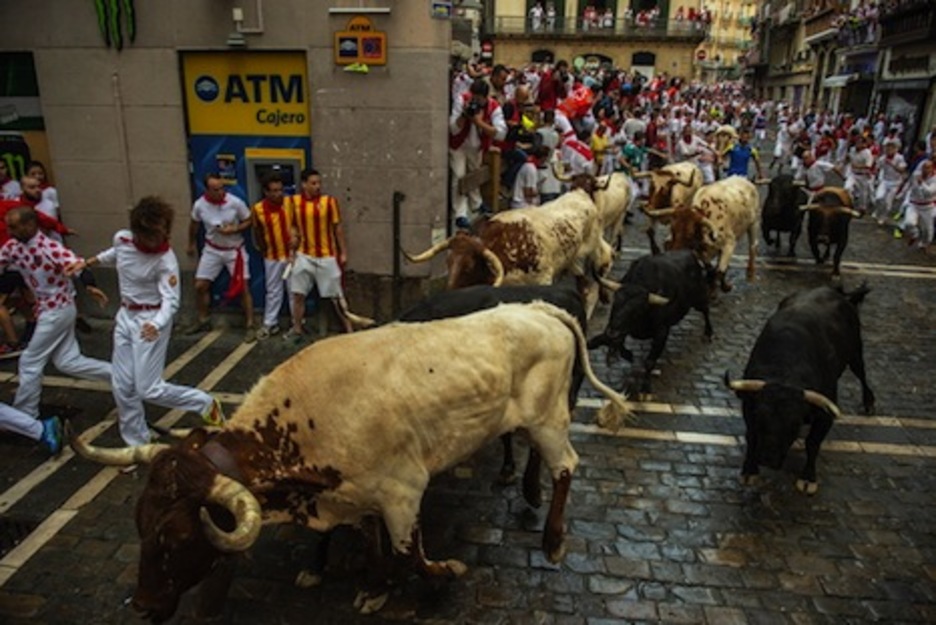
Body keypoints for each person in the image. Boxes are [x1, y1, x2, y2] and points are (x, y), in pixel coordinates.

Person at [69, 197, 225, 446]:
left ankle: (204, 403)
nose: (160, 239)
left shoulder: (166, 260)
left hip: (151, 319)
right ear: (138, 232)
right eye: (153, 235)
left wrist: (157, 324)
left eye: (163, 233)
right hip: (125, 315)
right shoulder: (122, 239)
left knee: (148, 389)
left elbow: (171, 301)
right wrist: (88, 262)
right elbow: (115, 254)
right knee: (122, 385)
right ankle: (137, 443)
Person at [0, 206, 112, 419]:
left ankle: (25, 415)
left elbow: (78, 266)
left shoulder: (50, 248)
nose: (9, 231)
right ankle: (121, 376)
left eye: (14, 227)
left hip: (57, 311)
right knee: (68, 361)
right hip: (48, 310)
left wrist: (90, 285)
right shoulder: (12, 247)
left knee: (30, 361)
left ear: (30, 225)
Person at [286, 168, 355, 340]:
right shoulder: (293, 202)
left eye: (319, 183)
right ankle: (297, 329)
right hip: (304, 254)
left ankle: (350, 330)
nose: (318, 186)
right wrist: (292, 249)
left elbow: (337, 228)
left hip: (326, 255)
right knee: (298, 294)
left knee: (336, 296)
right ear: (304, 184)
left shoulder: (329, 202)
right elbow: (292, 226)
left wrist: (343, 252)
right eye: (313, 183)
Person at [186, 173, 256, 341]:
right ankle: (203, 319)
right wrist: (190, 244)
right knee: (200, 285)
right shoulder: (199, 205)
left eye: (221, 188)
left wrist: (235, 229)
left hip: (234, 250)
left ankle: (251, 324)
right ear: (207, 190)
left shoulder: (235, 202)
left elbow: (249, 220)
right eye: (215, 189)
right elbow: (194, 225)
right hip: (212, 249)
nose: (220, 192)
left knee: (243, 287)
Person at [449, 78, 506, 230]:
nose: (476, 101)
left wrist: (479, 122)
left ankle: (476, 204)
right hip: (459, 145)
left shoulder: (494, 107)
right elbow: (453, 128)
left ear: (486, 97)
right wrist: (464, 115)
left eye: (479, 99)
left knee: (474, 176)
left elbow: (500, 134)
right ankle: (460, 214)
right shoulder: (462, 100)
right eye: (474, 97)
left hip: (477, 147)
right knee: (459, 177)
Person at [251, 173, 294, 339]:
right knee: (273, 291)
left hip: (291, 256)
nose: (278, 194)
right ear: (266, 192)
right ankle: (270, 324)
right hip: (272, 256)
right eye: (274, 191)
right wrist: (263, 249)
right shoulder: (258, 209)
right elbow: (257, 231)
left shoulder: (290, 203)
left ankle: (295, 324)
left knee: (294, 291)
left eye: (280, 190)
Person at [901, 159, 936, 253]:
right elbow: (910, 185)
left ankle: (924, 244)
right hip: (914, 204)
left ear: (932, 169)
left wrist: (922, 183)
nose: (925, 170)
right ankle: (914, 235)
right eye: (924, 168)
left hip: (927, 207)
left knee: (927, 231)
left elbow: (929, 192)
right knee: (909, 223)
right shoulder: (916, 175)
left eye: (928, 168)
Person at [871, 139, 907, 225]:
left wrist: (892, 164)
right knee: (879, 197)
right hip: (884, 180)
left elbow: (902, 170)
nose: (889, 150)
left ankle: (883, 216)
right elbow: (877, 168)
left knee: (888, 202)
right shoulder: (883, 158)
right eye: (887, 148)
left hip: (895, 183)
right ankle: (878, 211)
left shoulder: (900, 158)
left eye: (891, 148)